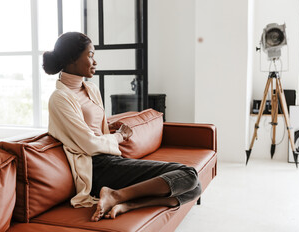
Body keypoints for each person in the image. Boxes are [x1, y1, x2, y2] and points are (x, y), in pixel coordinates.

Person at [43, 32, 202, 222]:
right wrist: (119, 136)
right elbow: (88, 144)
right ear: (71, 59)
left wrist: (109, 127)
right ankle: (116, 195)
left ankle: (125, 202)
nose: (95, 62)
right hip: (94, 167)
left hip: (110, 160)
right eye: (90, 55)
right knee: (188, 175)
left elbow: (93, 129)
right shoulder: (59, 98)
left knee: (195, 187)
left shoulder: (91, 89)